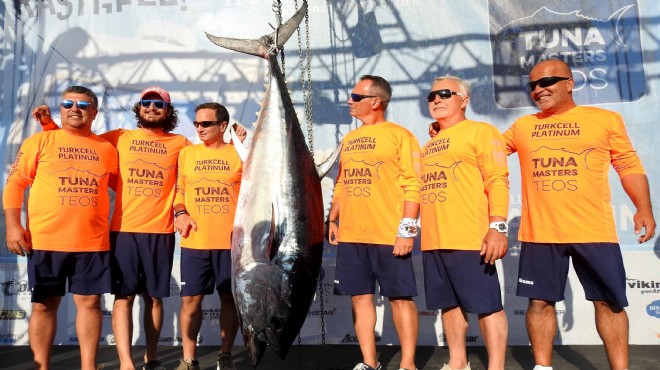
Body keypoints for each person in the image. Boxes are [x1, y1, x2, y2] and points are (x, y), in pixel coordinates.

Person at [503, 59, 656, 370]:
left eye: (546, 82)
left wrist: (643, 208)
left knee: (608, 303)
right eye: (532, 85)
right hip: (540, 233)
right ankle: (543, 367)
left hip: (594, 231)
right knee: (539, 303)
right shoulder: (522, 126)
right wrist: (446, 128)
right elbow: (483, 150)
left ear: (569, 83)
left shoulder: (605, 119)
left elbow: (628, 166)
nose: (538, 89)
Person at [34, 86, 190, 370]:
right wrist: (48, 125)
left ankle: (151, 358)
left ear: (168, 111)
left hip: (162, 231)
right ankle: (126, 363)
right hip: (122, 231)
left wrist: (235, 143)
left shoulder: (181, 143)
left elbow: (192, 178)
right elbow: (76, 142)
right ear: (139, 108)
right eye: (146, 102)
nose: (151, 107)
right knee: (124, 297)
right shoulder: (118, 137)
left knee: (154, 298)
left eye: (158, 103)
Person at [4, 86, 119, 370]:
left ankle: (88, 367)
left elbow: (131, 187)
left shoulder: (106, 148)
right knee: (44, 305)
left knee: (90, 304)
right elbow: (15, 184)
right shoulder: (40, 142)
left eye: (82, 104)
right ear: (61, 108)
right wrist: (13, 225)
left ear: (95, 111)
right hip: (45, 240)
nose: (74, 109)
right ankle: (41, 366)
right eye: (68, 103)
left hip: (92, 242)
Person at [327, 75, 421, 370]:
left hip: (389, 235)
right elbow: (341, 182)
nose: (349, 102)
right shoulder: (350, 139)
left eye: (355, 97)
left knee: (400, 299)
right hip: (353, 236)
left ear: (375, 102)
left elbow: (413, 185)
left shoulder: (400, 135)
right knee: (360, 299)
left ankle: (407, 364)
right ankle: (370, 362)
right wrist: (333, 218)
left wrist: (407, 230)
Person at [420, 76, 509, 370]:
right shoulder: (428, 144)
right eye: (431, 95)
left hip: (470, 237)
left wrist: (497, 226)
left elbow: (497, 180)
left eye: (445, 93)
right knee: (449, 303)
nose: (436, 99)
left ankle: (496, 366)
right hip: (434, 239)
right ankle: (458, 362)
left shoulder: (481, 131)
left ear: (464, 100)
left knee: (487, 306)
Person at [172, 103, 244, 370]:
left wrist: (242, 140)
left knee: (229, 299)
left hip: (230, 243)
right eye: (197, 124)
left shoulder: (239, 153)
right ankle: (188, 359)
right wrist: (180, 213)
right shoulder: (187, 154)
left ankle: (225, 356)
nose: (199, 128)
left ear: (222, 126)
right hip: (195, 241)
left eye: (206, 124)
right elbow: (179, 191)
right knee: (190, 301)